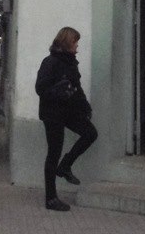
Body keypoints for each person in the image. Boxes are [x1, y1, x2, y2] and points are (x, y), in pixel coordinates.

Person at [35, 27, 98, 211]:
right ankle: (51, 198)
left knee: (90, 133)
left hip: (69, 111)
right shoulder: (50, 62)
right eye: (75, 42)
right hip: (52, 114)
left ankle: (65, 165)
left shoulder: (71, 62)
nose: (77, 46)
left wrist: (85, 106)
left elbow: (76, 87)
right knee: (53, 153)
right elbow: (40, 88)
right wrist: (58, 91)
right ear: (67, 42)